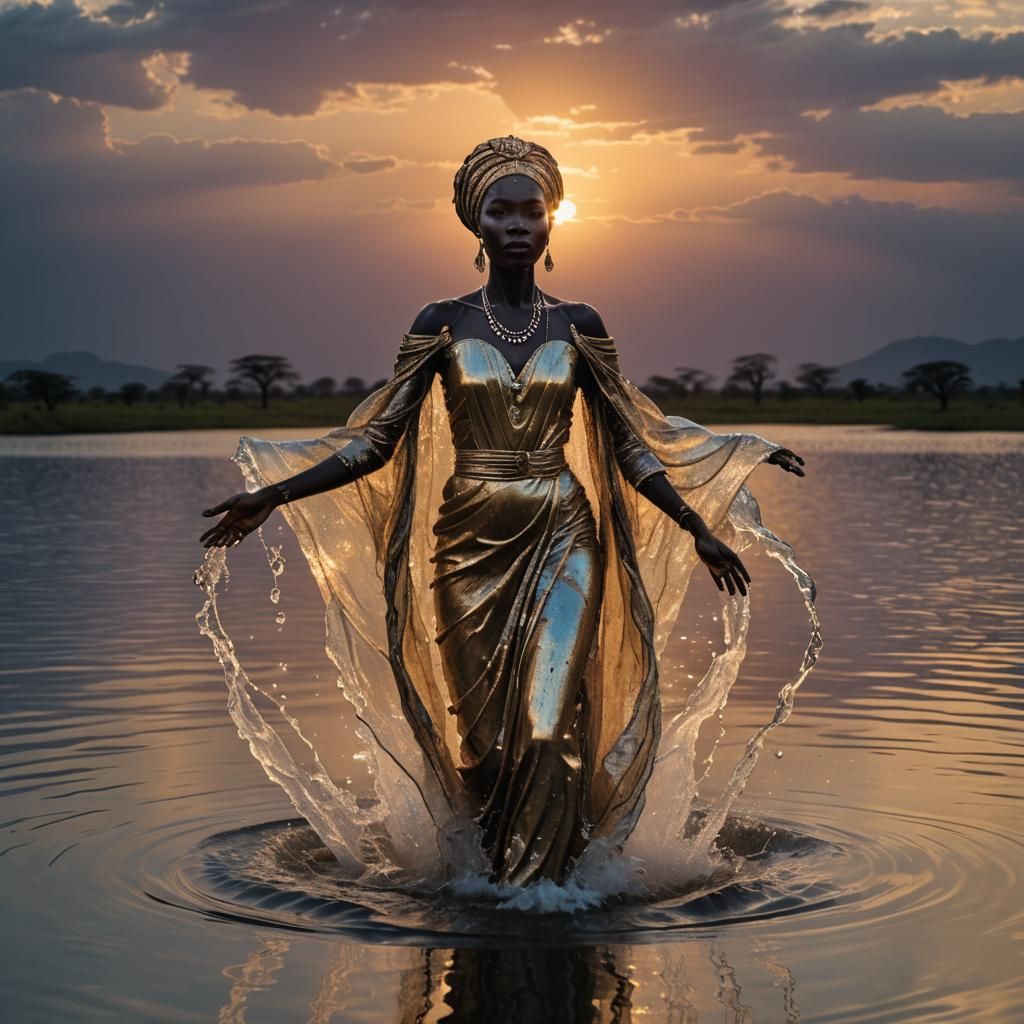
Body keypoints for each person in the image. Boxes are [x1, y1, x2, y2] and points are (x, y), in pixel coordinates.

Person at [199, 135, 805, 887]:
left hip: (564, 534)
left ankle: (544, 899)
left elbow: (633, 444)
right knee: (485, 744)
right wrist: (271, 495)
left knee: (549, 728)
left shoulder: (581, 324)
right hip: (468, 544)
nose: (519, 224)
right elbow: (374, 443)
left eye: (534, 210)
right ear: (476, 226)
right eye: (501, 211)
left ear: (554, 222)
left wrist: (698, 524)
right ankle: (492, 881)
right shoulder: (441, 322)